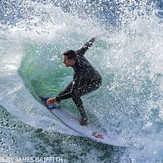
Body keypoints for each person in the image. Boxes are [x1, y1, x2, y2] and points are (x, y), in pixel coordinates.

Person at [47, 37, 102, 126]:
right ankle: (57, 102)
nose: (63, 61)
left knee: (75, 95)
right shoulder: (77, 54)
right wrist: (93, 39)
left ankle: (84, 117)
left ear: (72, 61)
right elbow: (85, 47)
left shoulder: (79, 71)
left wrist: (55, 99)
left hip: (94, 82)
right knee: (64, 92)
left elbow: (73, 92)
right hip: (87, 77)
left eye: (65, 60)